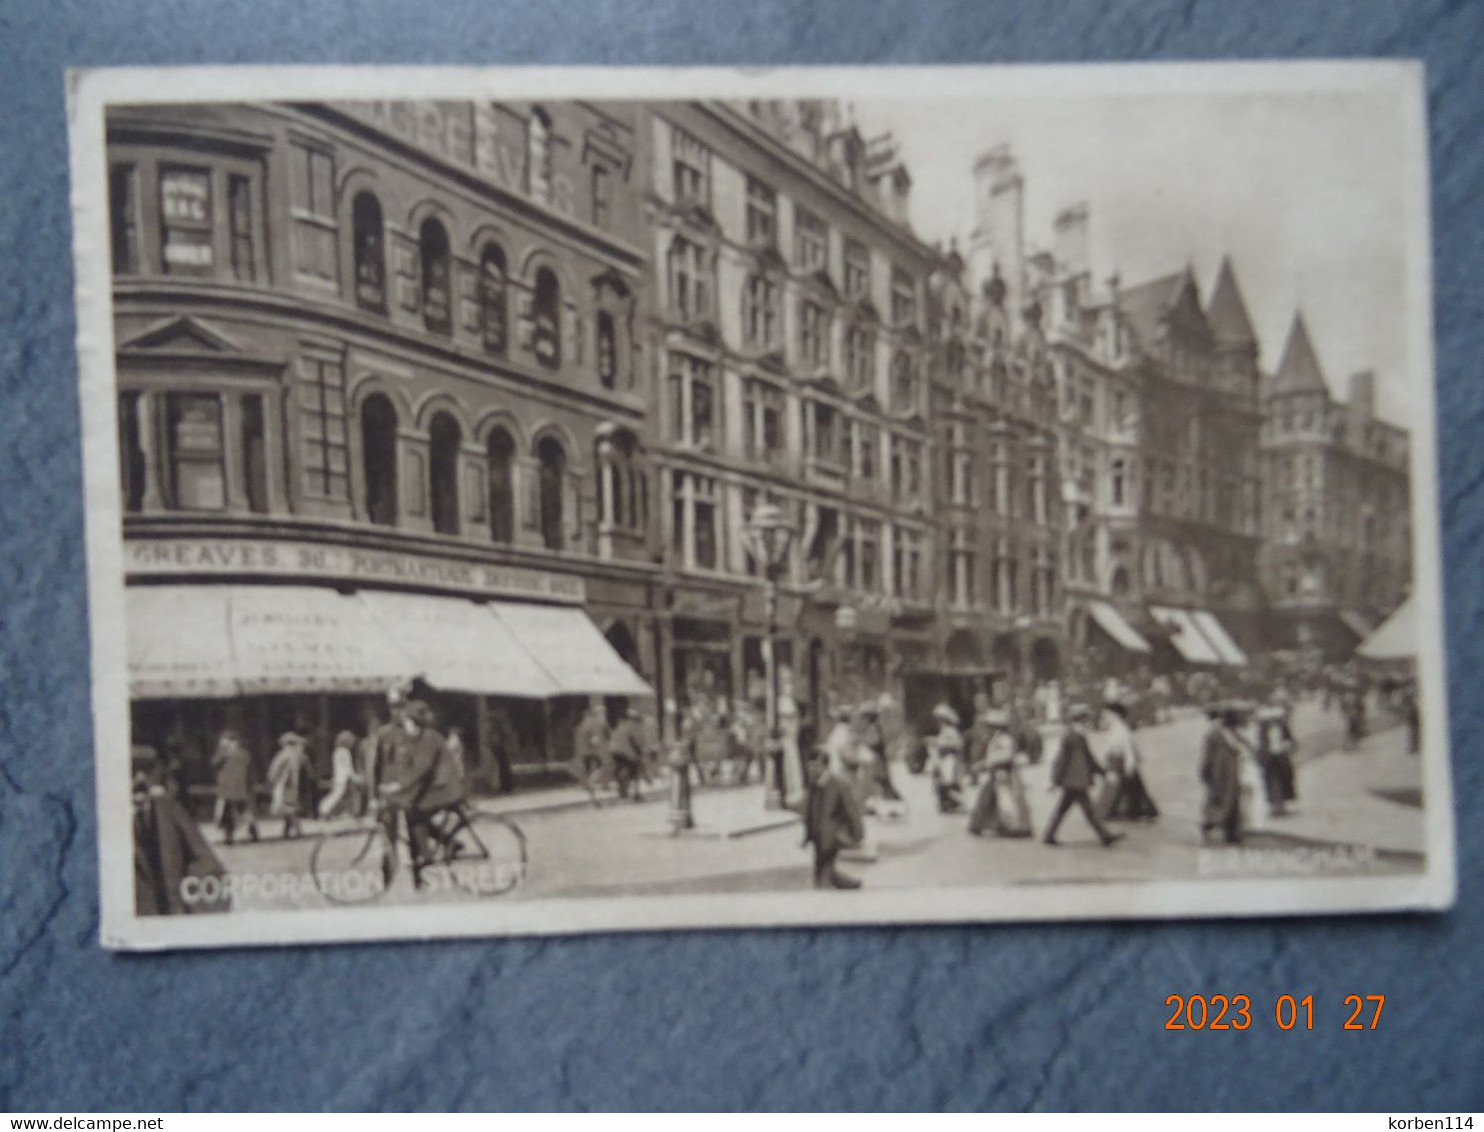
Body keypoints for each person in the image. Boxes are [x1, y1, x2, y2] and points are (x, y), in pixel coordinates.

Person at [133, 745, 229, 916]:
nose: (139, 779)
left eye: (144, 771)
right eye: (131, 772)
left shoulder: (164, 808)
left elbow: (206, 866)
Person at [378, 700, 465, 887]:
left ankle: (426, 855)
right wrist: (396, 788)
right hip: (434, 788)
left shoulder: (429, 739)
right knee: (414, 810)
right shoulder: (417, 739)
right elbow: (410, 769)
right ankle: (449, 842)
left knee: (415, 813)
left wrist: (399, 787)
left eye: (407, 721)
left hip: (445, 789)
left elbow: (421, 769)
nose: (404, 725)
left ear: (415, 721)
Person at [1043, 705, 1122, 847]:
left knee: (1064, 809)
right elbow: (1061, 760)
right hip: (1075, 781)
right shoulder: (1070, 736)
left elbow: (1089, 759)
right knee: (1088, 811)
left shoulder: (1078, 735)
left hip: (1074, 781)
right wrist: (1054, 780)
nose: (1089, 723)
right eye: (1086, 720)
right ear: (1080, 721)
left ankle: (1049, 836)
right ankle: (1105, 836)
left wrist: (1104, 773)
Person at [802, 748, 864, 889]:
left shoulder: (839, 785)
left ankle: (829, 894)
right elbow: (810, 812)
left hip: (833, 838)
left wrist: (857, 835)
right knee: (822, 873)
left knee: (823, 876)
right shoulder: (813, 785)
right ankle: (850, 885)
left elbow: (852, 812)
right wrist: (807, 836)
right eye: (809, 767)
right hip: (818, 839)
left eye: (814, 766)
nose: (811, 770)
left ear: (824, 766)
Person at [969, 708, 1032, 837]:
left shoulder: (1004, 740)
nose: (989, 729)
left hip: (1002, 772)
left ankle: (1013, 826)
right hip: (996, 772)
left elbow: (1004, 756)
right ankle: (986, 824)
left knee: (1005, 799)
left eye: (991, 727)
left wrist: (985, 764)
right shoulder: (997, 739)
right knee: (989, 799)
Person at [1101, 701, 1159, 821]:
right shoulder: (1114, 728)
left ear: (1115, 715)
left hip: (1122, 762)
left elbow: (1128, 749)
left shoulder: (1122, 729)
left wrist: (1129, 763)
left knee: (1128, 788)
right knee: (1129, 788)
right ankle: (1135, 811)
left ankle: (1135, 811)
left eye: (1107, 714)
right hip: (1116, 761)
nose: (1104, 717)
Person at [1199, 702, 1247, 844]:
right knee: (1220, 802)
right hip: (1220, 775)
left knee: (1229, 802)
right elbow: (1208, 756)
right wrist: (1206, 772)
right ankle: (1211, 827)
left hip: (1229, 774)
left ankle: (1230, 832)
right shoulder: (1216, 734)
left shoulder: (1230, 733)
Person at [210, 728, 257, 845]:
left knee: (226, 814)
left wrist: (221, 750)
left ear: (229, 741)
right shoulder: (245, 754)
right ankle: (253, 830)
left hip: (227, 788)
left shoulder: (224, 753)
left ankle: (229, 836)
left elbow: (213, 763)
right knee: (244, 811)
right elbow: (251, 772)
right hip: (241, 788)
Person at [266, 732, 313, 840]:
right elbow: (308, 771)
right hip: (295, 785)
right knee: (289, 805)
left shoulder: (283, 755)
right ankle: (287, 830)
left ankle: (297, 830)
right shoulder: (300, 756)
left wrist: (271, 781)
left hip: (283, 784)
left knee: (284, 807)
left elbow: (273, 771)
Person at [1254, 705, 1297, 817]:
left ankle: (1281, 806)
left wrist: (1289, 745)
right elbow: (1260, 745)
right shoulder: (1263, 730)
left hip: (1281, 756)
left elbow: (1291, 740)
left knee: (1283, 781)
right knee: (1271, 782)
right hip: (1269, 758)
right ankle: (1274, 807)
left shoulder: (1283, 727)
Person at [317, 729, 364, 819]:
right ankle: (324, 810)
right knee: (337, 795)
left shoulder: (338, 751)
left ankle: (350, 813)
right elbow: (347, 768)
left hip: (339, 777)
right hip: (343, 778)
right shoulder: (344, 752)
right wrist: (355, 777)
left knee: (344, 796)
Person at [928, 703, 965, 814]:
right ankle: (945, 803)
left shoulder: (951, 731)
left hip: (949, 759)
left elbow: (957, 743)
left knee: (948, 781)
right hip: (942, 759)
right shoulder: (944, 730)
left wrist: (938, 743)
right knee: (940, 780)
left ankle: (955, 803)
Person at [608, 707, 647, 802]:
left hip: (614, 751)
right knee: (635, 772)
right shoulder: (631, 726)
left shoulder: (619, 726)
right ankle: (636, 794)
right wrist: (640, 751)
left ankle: (622, 791)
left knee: (621, 770)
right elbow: (636, 741)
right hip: (626, 752)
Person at [575, 702, 611, 798]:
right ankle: (598, 784)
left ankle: (588, 784)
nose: (603, 714)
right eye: (601, 712)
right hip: (596, 749)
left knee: (589, 768)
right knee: (601, 766)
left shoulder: (582, 724)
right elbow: (597, 738)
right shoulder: (596, 723)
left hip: (585, 750)